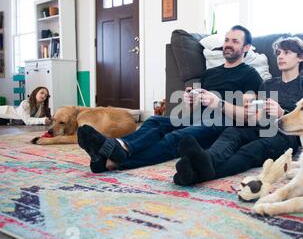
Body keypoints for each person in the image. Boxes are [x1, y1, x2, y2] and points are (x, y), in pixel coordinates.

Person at [77, 25, 263, 173]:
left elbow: (247, 114)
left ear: (246, 48)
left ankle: (114, 160)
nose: (228, 44)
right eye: (227, 39)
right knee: (154, 121)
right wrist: (191, 101)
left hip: (221, 125)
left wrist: (219, 103)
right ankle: (121, 147)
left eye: (235, 41)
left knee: (176, 137)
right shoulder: (210, 74)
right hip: (197, 119)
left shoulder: (250, 75)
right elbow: (191, 112)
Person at [173, 36, 303, 186]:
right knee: (233, 132)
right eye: (279, 53)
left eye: (287, 53)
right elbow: (257, 118)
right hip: (260, 127)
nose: (280, 56)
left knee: (252, 149)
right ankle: (206, 159)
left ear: (300, 57)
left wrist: (282, 114)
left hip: (285, 135)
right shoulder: (267, 84)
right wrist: (250, 113)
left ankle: (198, 175)